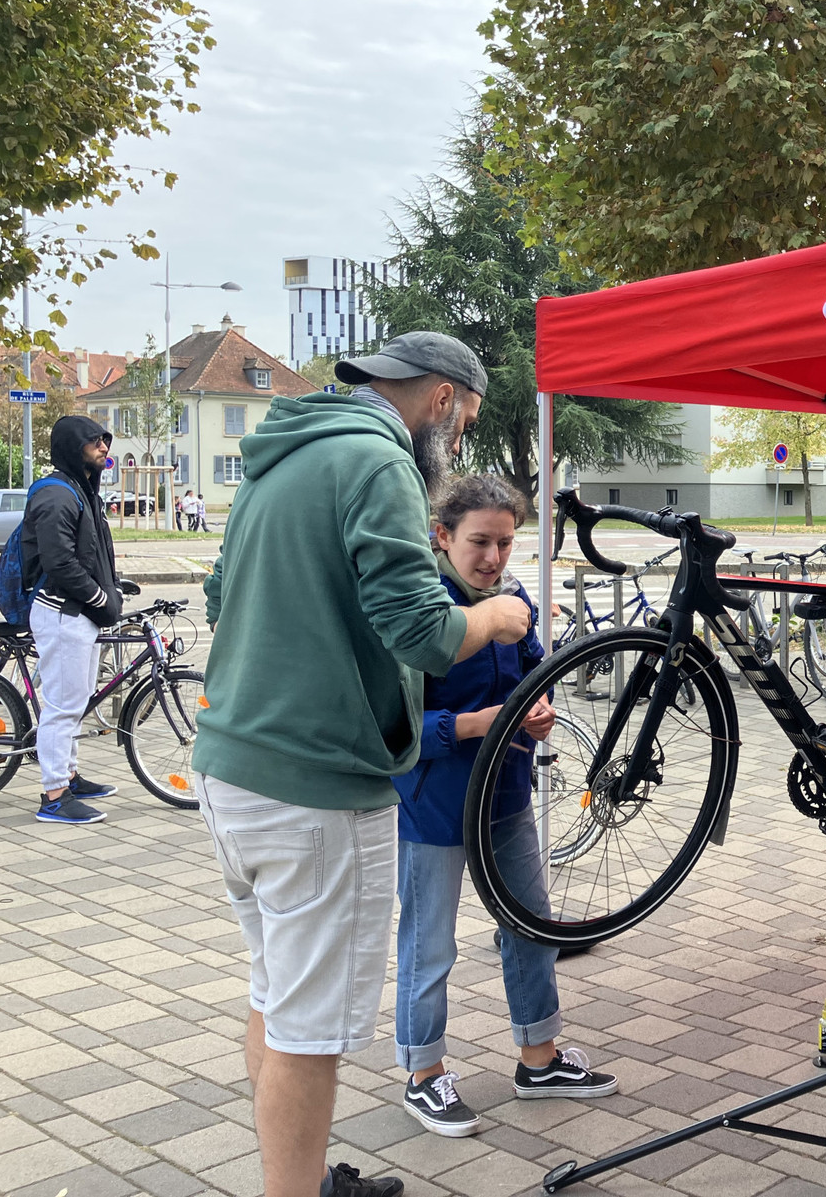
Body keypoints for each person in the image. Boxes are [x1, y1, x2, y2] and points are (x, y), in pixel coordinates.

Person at [195, 332, 537, 1197]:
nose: (456, 442)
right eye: (462, 424)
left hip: (232, 768)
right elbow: (422, 629)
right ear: (439, 399)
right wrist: (495, 618)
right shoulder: (379, 463)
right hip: (315, 790)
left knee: (275, 998)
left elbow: (219, 595)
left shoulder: (281, 456)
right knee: (310, 1032)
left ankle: (300, 1180)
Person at [393, 475, 617, 1138]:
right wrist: (474, 724)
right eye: (479, 542)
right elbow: (396, 726)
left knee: (531, 924)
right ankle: (423, 1072)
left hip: (508, 794)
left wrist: (536, 710)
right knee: (429, 942)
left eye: (505, 541)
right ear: (442, 536)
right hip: (434, 803)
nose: (493, 556)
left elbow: (531, 669)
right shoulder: (423, 609)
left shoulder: (514, 598)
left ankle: (539, 1057)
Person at [24, 415, 123, 825]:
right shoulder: (57, 495)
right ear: (72, 446)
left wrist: (114, 586)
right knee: (62, 707)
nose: (104, 447)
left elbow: (87, 553)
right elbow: (59, 561)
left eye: (105, 440)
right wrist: (100, 596)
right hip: (63, 612)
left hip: (78, 612)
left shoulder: (80, 491)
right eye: (95, 441)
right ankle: (54, 797)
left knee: (75, 702)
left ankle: (68, 775)